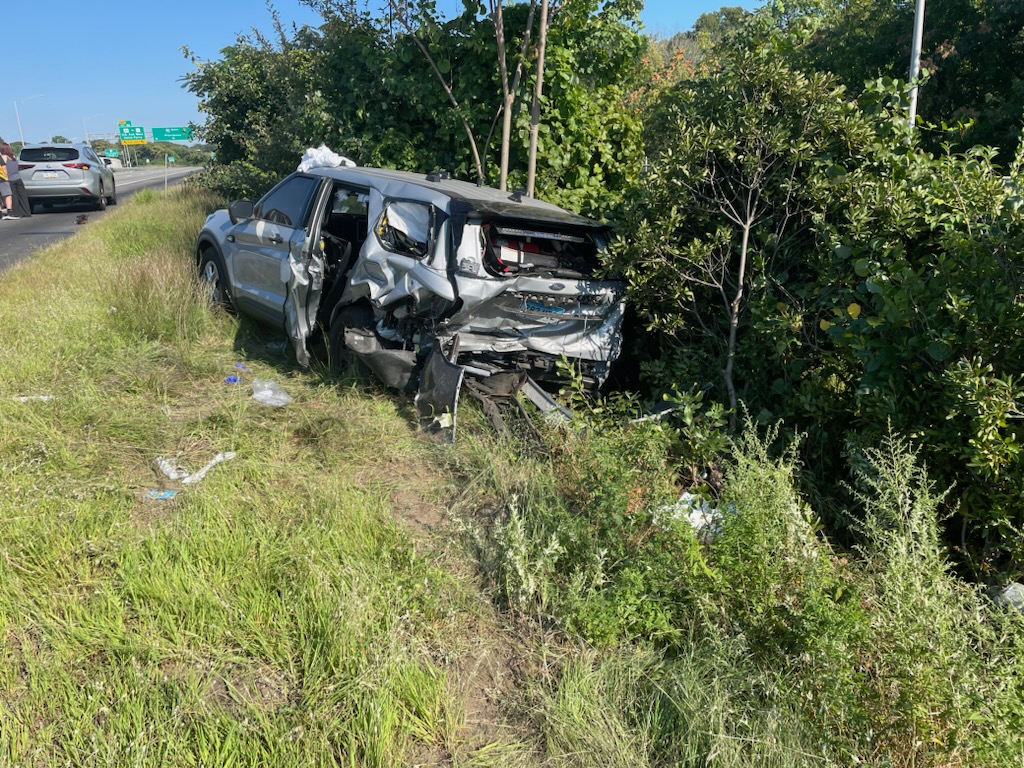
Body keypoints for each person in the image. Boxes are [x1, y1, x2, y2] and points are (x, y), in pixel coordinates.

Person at [2, 145, 30, 218]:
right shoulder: (13, 156)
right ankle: (26, 212)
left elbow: (4, 168)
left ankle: (16, 213)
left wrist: (5, 177)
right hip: (18, 178)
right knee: (22, 196)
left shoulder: (4, 157)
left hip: (10, 178)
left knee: (14, 196)